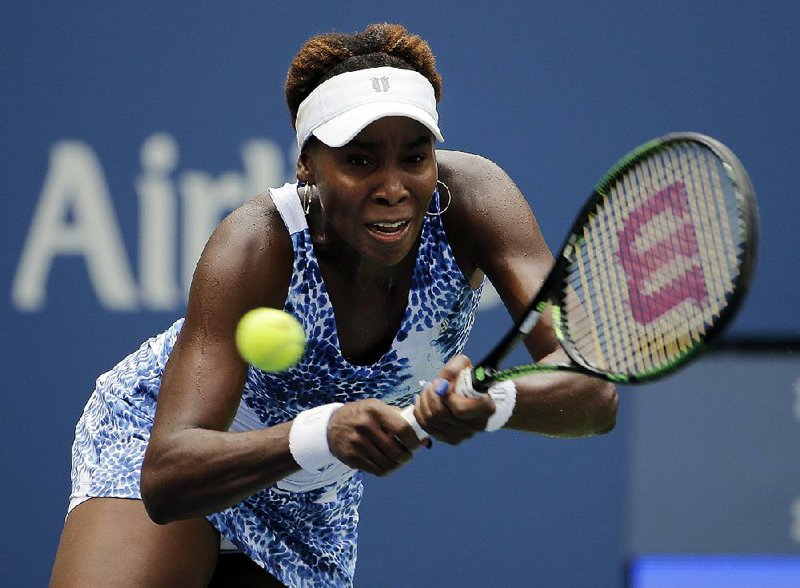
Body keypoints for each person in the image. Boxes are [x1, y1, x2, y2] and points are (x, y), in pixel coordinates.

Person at [49, 23, 617, 588]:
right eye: (360, 161)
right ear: (307, 165)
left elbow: (594, 391)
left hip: (313, 485)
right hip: (180, 443)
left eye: (415, 158)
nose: (393, 187)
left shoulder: (478, 202)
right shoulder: (255, 242)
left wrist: (491, 400)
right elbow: (167, 476)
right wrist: (321, 431)